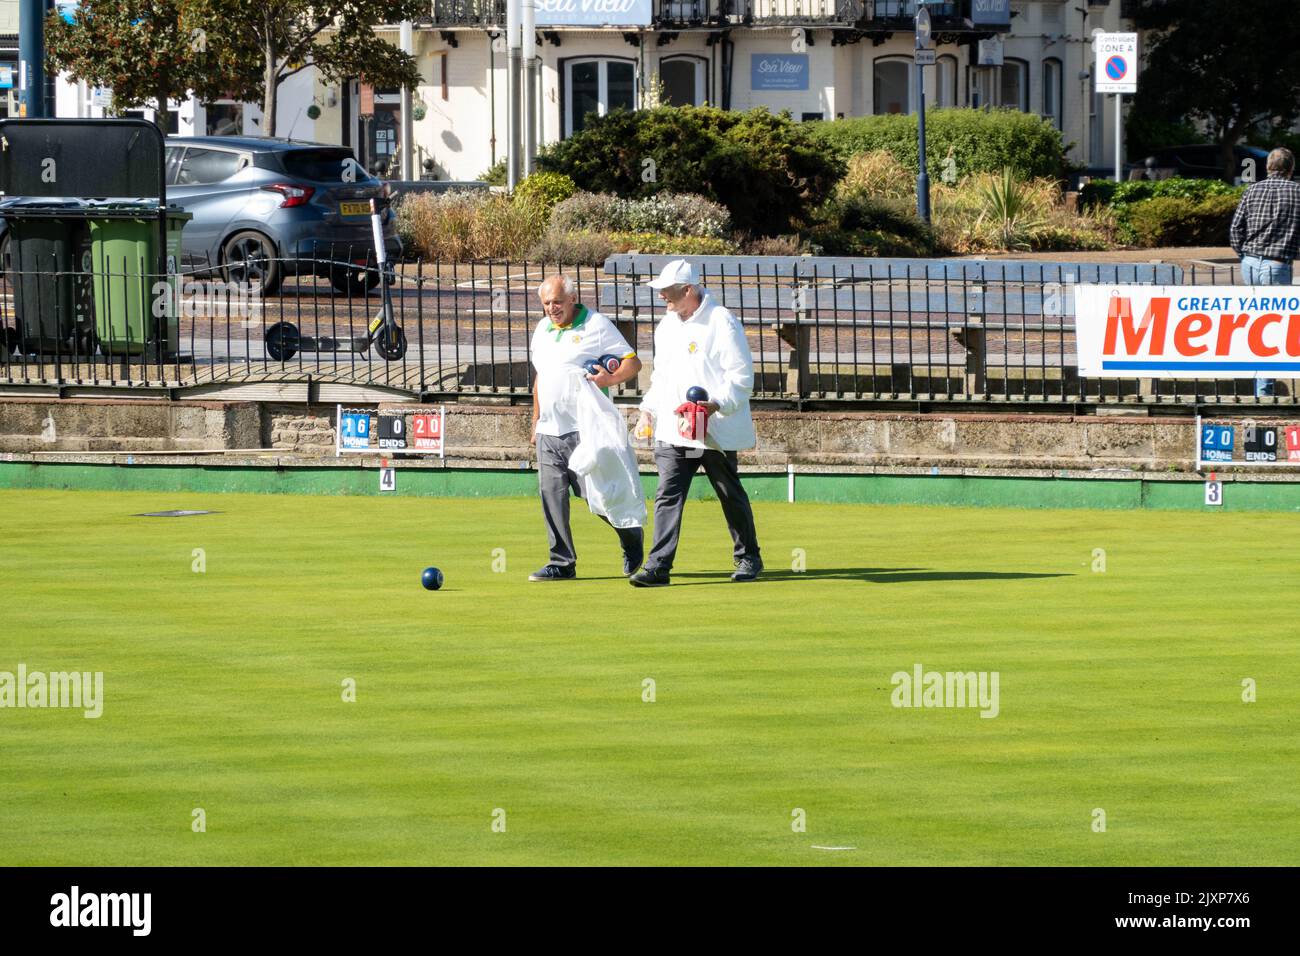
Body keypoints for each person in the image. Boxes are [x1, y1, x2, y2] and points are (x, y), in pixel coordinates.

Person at [630, 259, 762, 587]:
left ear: (688, 290)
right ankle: (658, 567)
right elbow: (661, 376)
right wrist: (648, 410)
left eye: (667, 291)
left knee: (727, 490)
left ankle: (749, 557)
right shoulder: (667, 325)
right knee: (668, 493)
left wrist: (716, 404)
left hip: (713, 428)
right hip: (676, 428)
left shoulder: (722, 322)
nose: (662, 297)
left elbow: (742, 378)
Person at [529, 274, 643, 581]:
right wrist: (536, 419)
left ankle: (631, 537)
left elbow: (633, 363)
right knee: (551, 494)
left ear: (572, 299)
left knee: (596, 496)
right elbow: (541, 377)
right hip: (549, 429)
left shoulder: (597, 326)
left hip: (585, 428)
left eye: (556, 302)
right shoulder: (542, 329)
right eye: (546, 303)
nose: (551, 309)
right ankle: (562, 562)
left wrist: (608, 380)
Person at [1229, 147, 1300, 397]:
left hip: (1249, 262)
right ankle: (1264, 391)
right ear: (1290, 168)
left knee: (1255, 325)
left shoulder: (1252, 190)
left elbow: (1236, 228)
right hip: (1277, 263)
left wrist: (1245, 255)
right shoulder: (1297, 192)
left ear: (1268, 167)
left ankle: (1261, 387)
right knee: (1272, 328)